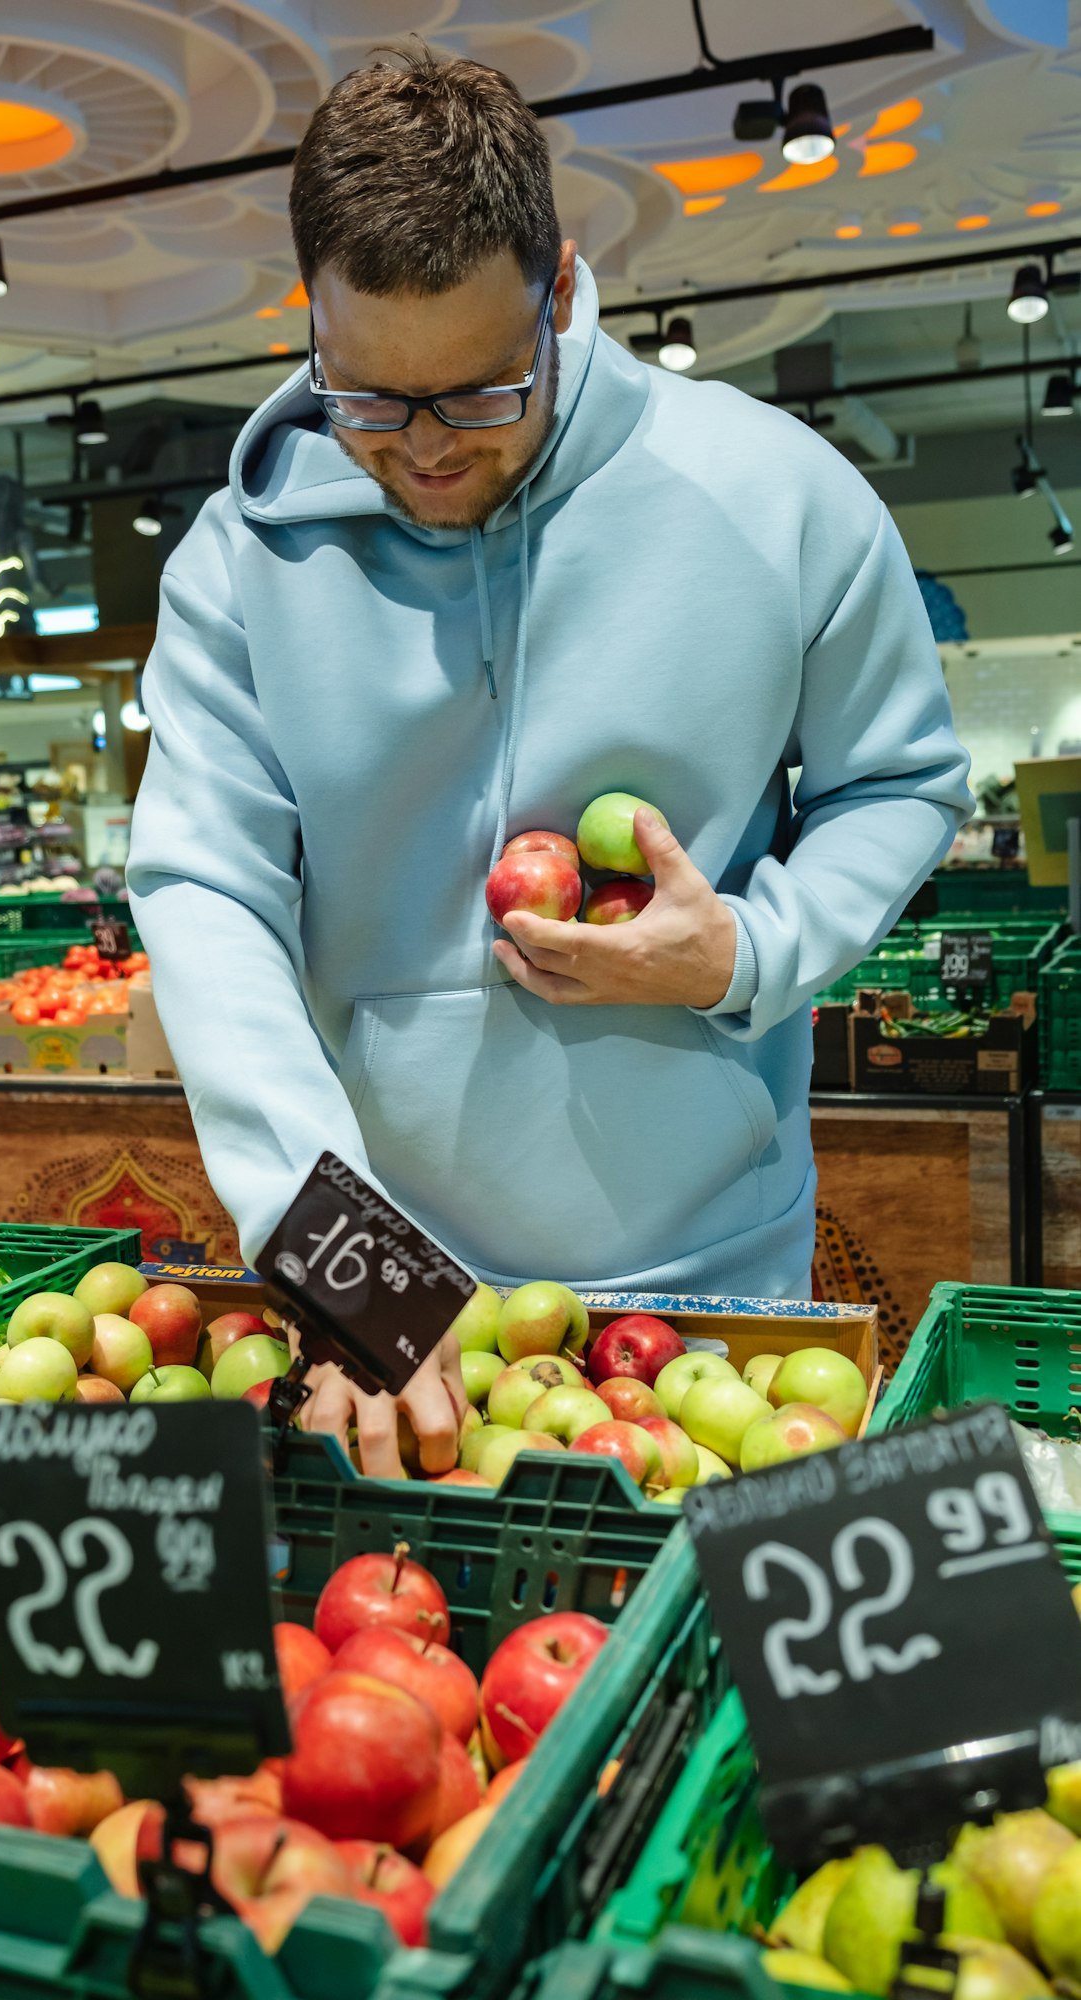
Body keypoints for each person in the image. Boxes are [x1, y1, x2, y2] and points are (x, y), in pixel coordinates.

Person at [127, 49, 972, 1479]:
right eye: (371, 400)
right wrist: (343, 1255)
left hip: (710, 1298)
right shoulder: (238, 563)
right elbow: (202, 889)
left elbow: (898, 784)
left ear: (564, 289)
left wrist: (749, 950)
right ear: (310, 326)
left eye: (478, 391)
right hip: (388, 1303)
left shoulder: (779, 499)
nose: (427, 451)